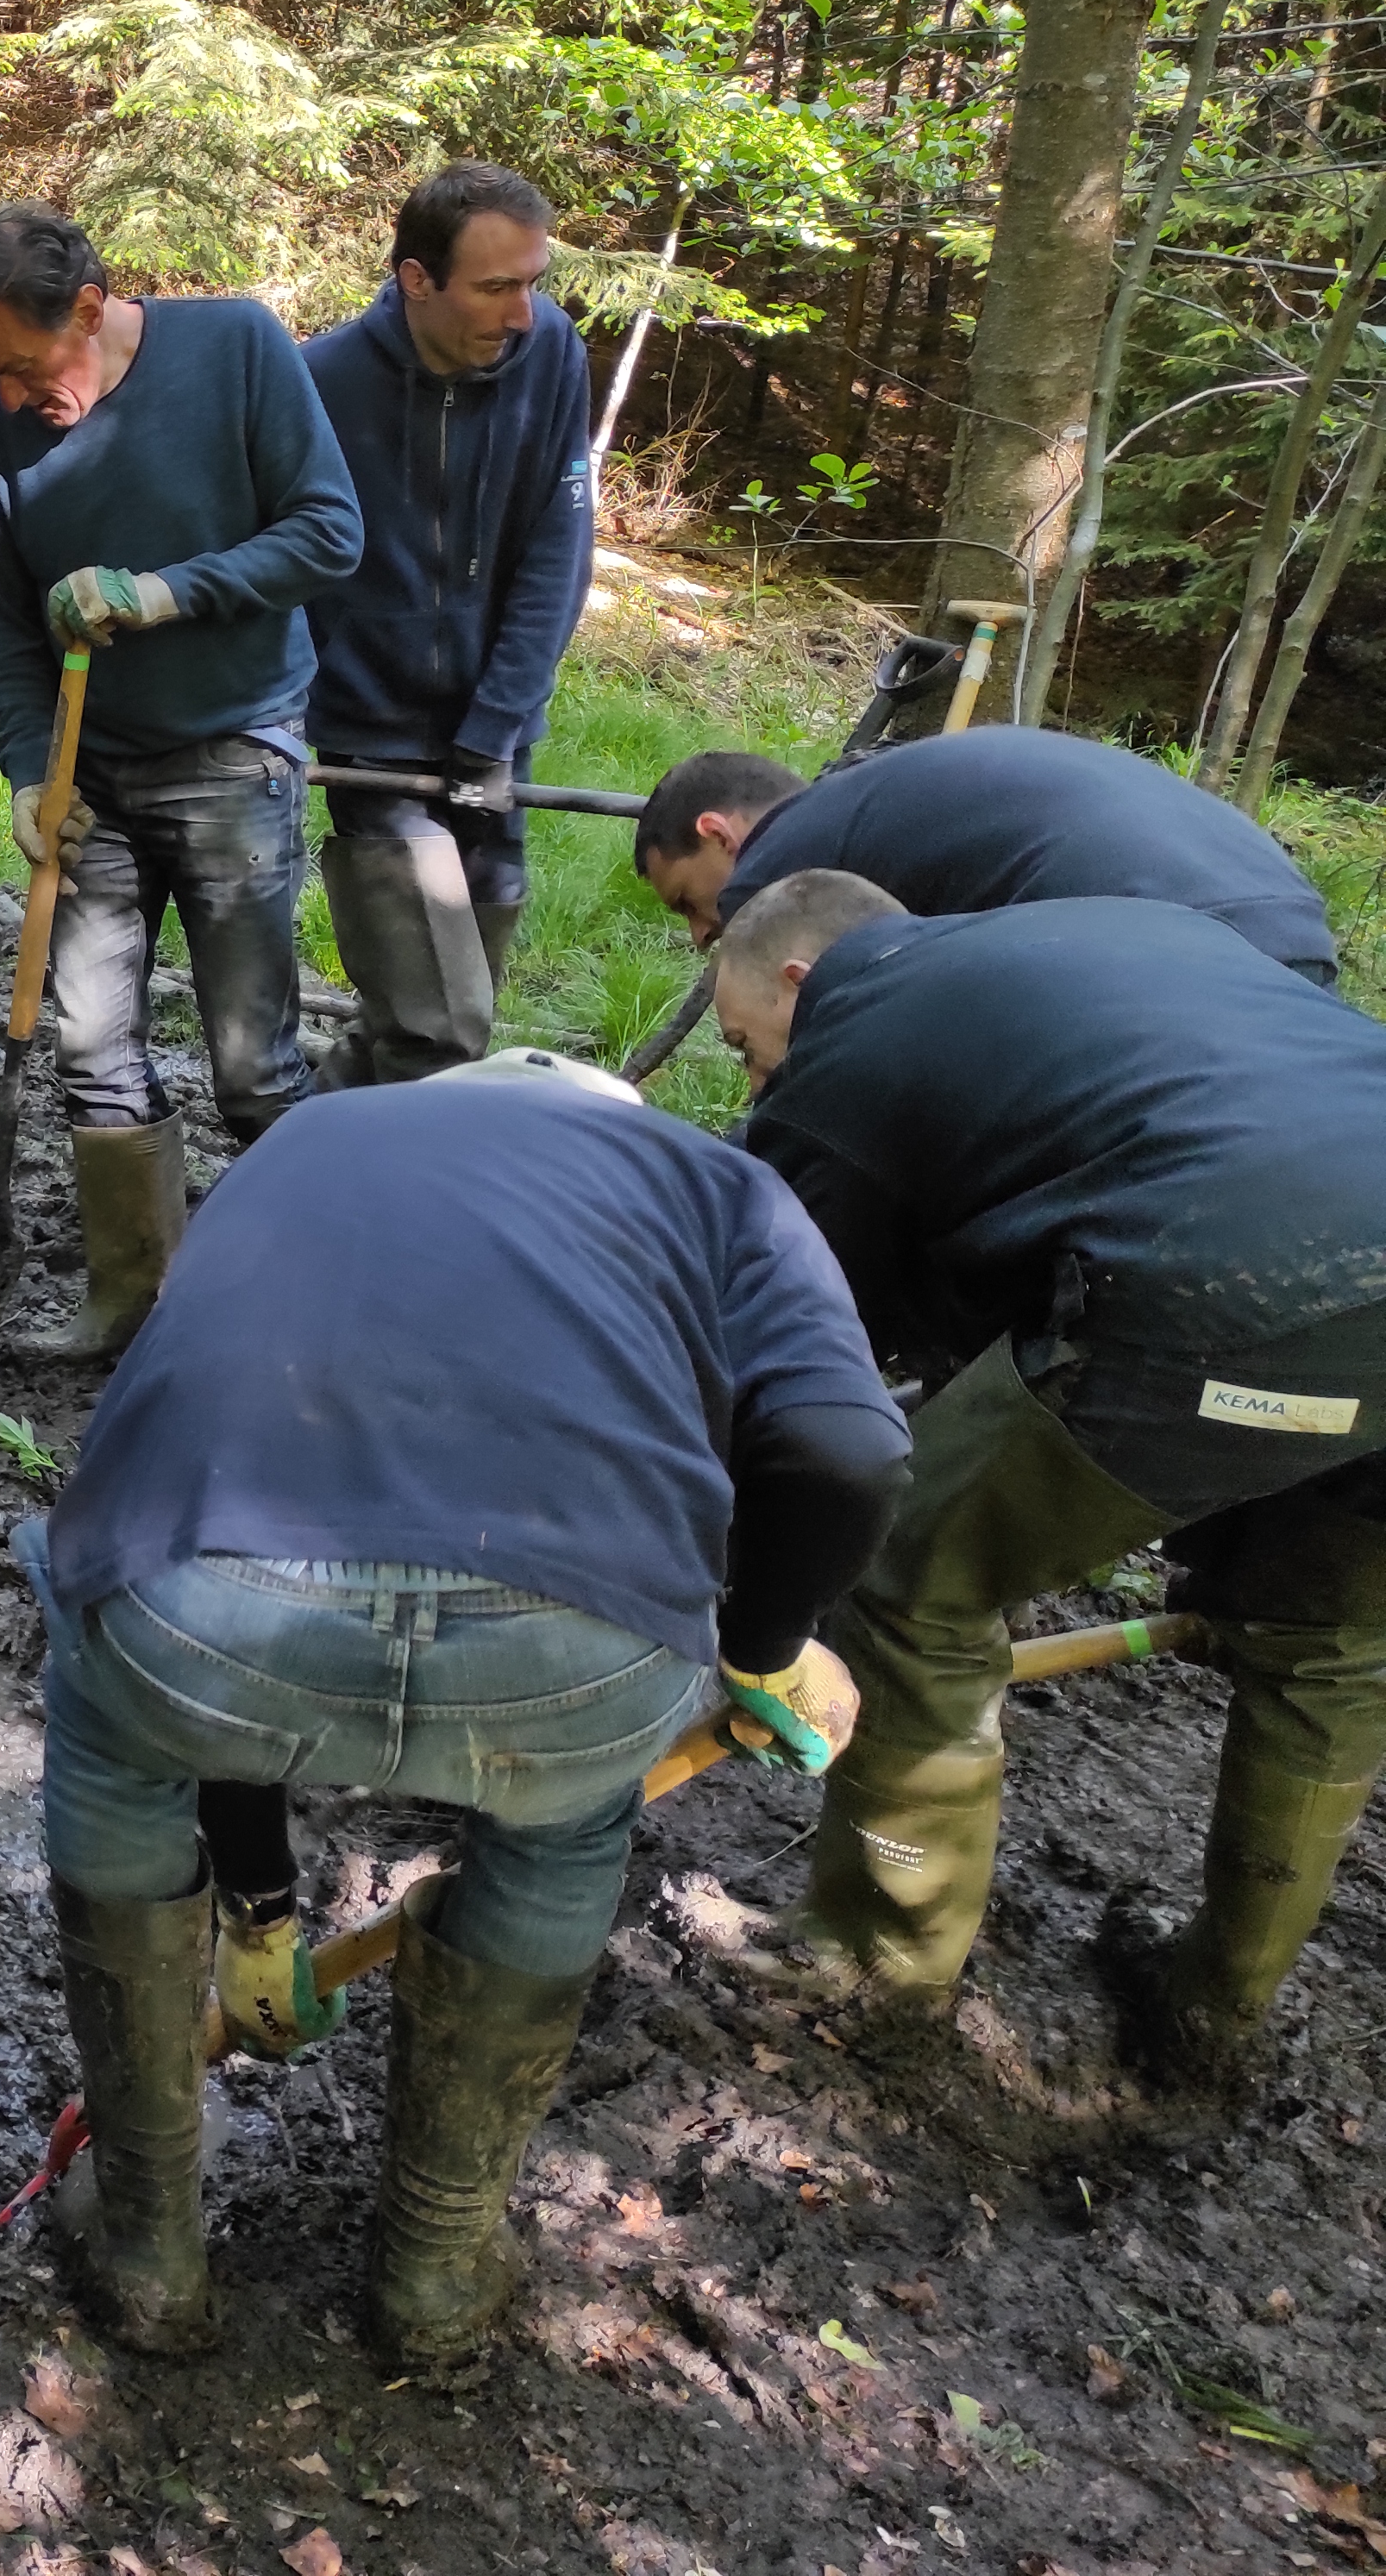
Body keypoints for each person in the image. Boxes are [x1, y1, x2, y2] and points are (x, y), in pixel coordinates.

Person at [22, 1048, 900, 2371]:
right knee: (563, 1829)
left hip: (208, 1619)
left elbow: (239, 1462)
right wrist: (768, 1648)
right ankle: (433, 2273)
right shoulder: (720, 1185)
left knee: (118, 1726)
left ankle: (148, 2242)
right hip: (573, 1658)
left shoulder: (312, 1142)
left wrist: (259, 1917)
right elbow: (851, 1449)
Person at [712, 874, 1386, 2083]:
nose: (759, 1084)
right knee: (1325, 1652)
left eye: (745, 1046)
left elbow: (798, 1355)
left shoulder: (854, 1048)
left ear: (798, 987)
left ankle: (878, 1963)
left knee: (915, 1573)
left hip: (1243, 1285)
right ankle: (1213, 2014)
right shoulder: (1109, 937)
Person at [0, 205, 362, 1358]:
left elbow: (330, 533)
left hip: (234, 750)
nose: (10, 400)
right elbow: (6, 621)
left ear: (87, 309)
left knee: (253, 1067)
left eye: (22, 368)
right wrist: (29, 774)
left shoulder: (237, 350)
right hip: (92, 772)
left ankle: (317, 1311)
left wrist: (167, 592)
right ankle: (132, 1306)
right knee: (95, 1048)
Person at [299, 163, 594, 1082]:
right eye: (495, 287)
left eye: (532, 283)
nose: (520, 313)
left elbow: (558, 548)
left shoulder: (550, 355)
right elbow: (286, 567)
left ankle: (300, 1149)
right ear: (414, 279)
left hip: (496, 730)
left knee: (429, 1011)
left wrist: (497, 723)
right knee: (440, 1030)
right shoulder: (319, 382)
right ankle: (389, 1216)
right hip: (367, 738)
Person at [637, 724, 1340, 985]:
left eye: (687, 902)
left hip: (1164, 946)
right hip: (1286, 923)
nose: (703, 933)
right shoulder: (883, 807)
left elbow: (802, 1068)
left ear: (720, 833)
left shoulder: (775, 865)